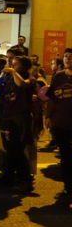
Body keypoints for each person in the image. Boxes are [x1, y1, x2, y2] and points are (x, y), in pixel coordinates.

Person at [0, 55, 37, 193]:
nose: (12, 66)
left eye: (16, 64)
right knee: (9, 149)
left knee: (17, 149)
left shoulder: (30, 79)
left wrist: (13, 72)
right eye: (11, 64)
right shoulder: (8, 78)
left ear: (24, 67)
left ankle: (25, 180)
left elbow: (22, 84)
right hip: (7, 116)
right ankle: (8, 177)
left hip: (20, 119)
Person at [45, 48, 72, 199]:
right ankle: (68, 188)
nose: (68, 59)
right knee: (65, 157)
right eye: (66, 56)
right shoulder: (58, 77)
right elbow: (51, 98)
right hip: (61, 123)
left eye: (71, 57)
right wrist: (48, 116)